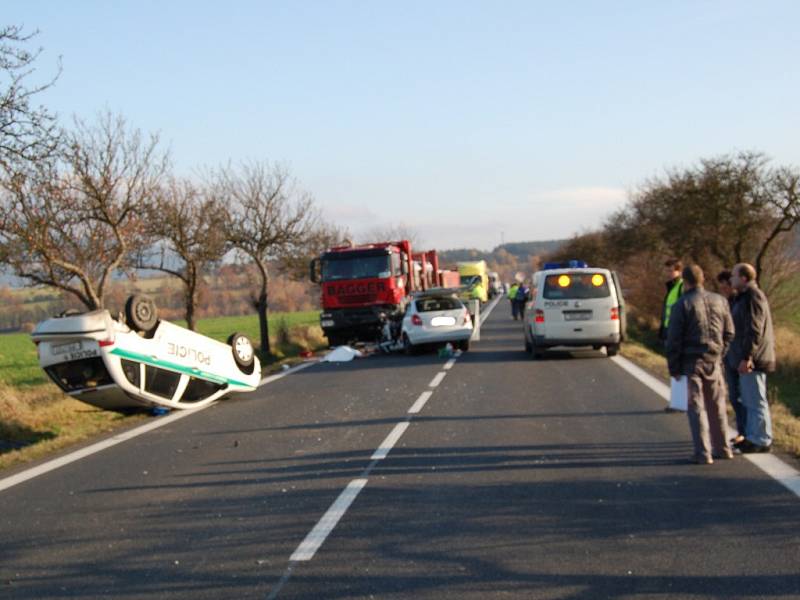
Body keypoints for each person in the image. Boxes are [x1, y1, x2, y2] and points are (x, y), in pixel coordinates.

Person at [666, 264, 734, 464]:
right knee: (717, 405)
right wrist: (721, 353)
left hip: (691, 361)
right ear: (702, 279)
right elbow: (729, 332)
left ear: (685, 282)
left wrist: (674, 368)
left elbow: (674, 340)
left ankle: (703, 452)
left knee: (696, 407)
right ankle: (723, 447)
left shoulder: (682, 304)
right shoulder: (720, 300)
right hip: (714, 359)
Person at [728, 263, 776, 453]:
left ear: (744, 278)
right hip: (747, 356)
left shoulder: (753, 297)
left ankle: (762, 439)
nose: (731, 279)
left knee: (755, 399)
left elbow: (754, 329)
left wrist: (747, 356)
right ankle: (751, 435)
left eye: (734, 276)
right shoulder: (744, 297)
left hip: (753, 359)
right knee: (748, 399)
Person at [717, 269, 746, 445]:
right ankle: (742, 431)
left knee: (744, 396)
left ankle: (747, 432)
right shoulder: (727, 302)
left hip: (740, 356)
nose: (723, 290)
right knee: (734, 396)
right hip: (729, 355)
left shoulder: (741, 302)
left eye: (725, 287)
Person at [659, 258, 684, 342]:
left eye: (671, 271)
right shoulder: (671, 286)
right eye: (667, 271)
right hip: (668, 328)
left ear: (679, 271)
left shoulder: (681, 286)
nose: (668, 274)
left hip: (675, 330)